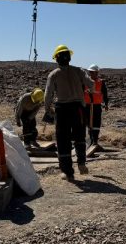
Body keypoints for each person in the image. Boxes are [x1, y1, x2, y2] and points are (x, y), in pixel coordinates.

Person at [44, 44, 94, 182]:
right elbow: (91, 84)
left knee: (63, 140)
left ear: (57, 59)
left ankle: (67, 172)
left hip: (62, 109)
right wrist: (84, 87)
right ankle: (82, 162)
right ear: (69, 58)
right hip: (78, 108)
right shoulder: (79, 71)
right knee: (79, 137)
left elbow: (48, 95)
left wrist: (48, 109)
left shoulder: (53, 75)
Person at [83, 64, 109, 147]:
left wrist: (106, 104)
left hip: (97, 105)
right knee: (88, 123)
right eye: (91, 72)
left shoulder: (101, 82)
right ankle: (90, 139)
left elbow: (105, 93)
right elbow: (80, 92)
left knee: (96, 123)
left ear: (97, 72)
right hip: (86, 105)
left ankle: (95, 140)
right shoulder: (85, 81)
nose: (92, 74)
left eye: (94, 72)